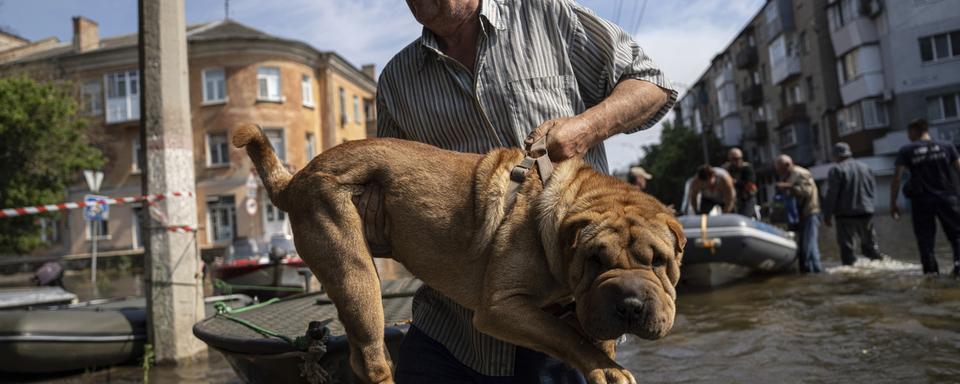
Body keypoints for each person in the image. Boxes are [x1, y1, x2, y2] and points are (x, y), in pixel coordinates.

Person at [358, 0, 677, 381]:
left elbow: (652, 84)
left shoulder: (546, 15)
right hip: (447, 333)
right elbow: (390, 196)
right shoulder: (397, 79)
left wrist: (586, 127)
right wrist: (374, 230)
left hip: (566, 335)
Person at [890, 118, 960, 277]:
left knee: (925, 241)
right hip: (948, 199)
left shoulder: (906, 150)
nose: (908, 136)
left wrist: (893, 203)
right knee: (957, 236)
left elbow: (896, 178)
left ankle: (931, 276)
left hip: (922, 202)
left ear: (915, 131)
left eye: (908, 132)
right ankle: (958, 267)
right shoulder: (947, 146)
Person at [822, 142, 885, 266]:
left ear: (836, 155)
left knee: (847, 248)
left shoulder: (836, 169)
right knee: (870, 245)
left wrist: (827, 214)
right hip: (866, 212)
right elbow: (871, 188)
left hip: (845, 214)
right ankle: (879, 266)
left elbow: (832, 194)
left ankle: (851, 272)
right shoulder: (865, 167)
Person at [775, 154, 822, 273]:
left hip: (810, 213)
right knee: (802, 248)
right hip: (798, 216)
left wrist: (788, 187)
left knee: (809, 247)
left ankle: (816, 271)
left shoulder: (801, 173)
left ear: (787, 165)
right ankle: (807, 272)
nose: (779, 172)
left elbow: (806, 192)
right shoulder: (788, 175)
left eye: (780, 169)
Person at [723, 147, 758, 218]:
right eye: (735, 159)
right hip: (732, 198)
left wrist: (734, 182)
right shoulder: (727, 169)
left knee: (744, 218)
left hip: (747, 198)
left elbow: (750, 185)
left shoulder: (747, 168)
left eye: (740, 158)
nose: (738, 161)